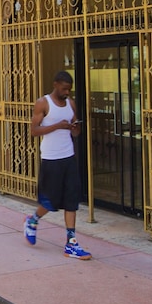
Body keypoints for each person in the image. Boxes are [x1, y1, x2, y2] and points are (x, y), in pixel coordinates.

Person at [23, 70, 92, 260]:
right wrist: (57, 126)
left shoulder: (71, 104)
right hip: (51, 158)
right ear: (55, 85)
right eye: (64, 89)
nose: (67, 93)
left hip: (68, 157)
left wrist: (75, 128)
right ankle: (32, 220)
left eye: (69, 90)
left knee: (71, 200)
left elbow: (75, 133)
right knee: (50, 201)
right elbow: (34, 131)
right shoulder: (43, 103)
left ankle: (71, 243)